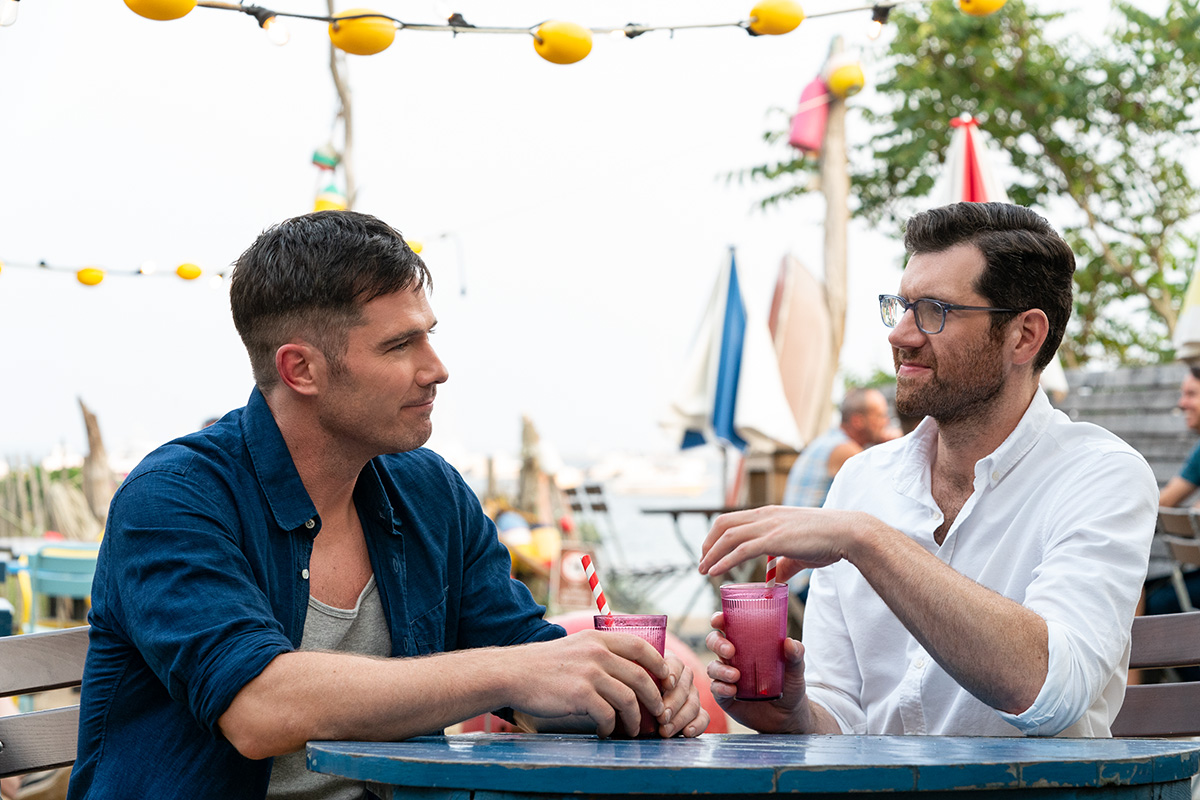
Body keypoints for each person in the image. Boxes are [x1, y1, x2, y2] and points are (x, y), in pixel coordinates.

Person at [68, 211, 707, 799]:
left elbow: (526, 674)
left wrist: (625, 692)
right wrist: (514, 671)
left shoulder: (428, 491)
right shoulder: (174, 497)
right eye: (400, 346)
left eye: (428, 336)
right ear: (301, 370)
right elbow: (259, 709)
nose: (437, 368)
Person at [699, 202, 1157, 738]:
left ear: (1025, 336)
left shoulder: (1101, 476)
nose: (901, 335)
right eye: (901, 306)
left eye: (935, 310)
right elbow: (842, 712)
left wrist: (865, 538)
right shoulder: (862, 480)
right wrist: (794, 715)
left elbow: (1051, 692)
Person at [782, 388, 897, 509]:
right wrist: (894, 446)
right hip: (811, 527)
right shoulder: (845, 450)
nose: (886, 422)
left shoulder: (830, 439)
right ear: (858, 421)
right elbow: (887, 494)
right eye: (881, 416)